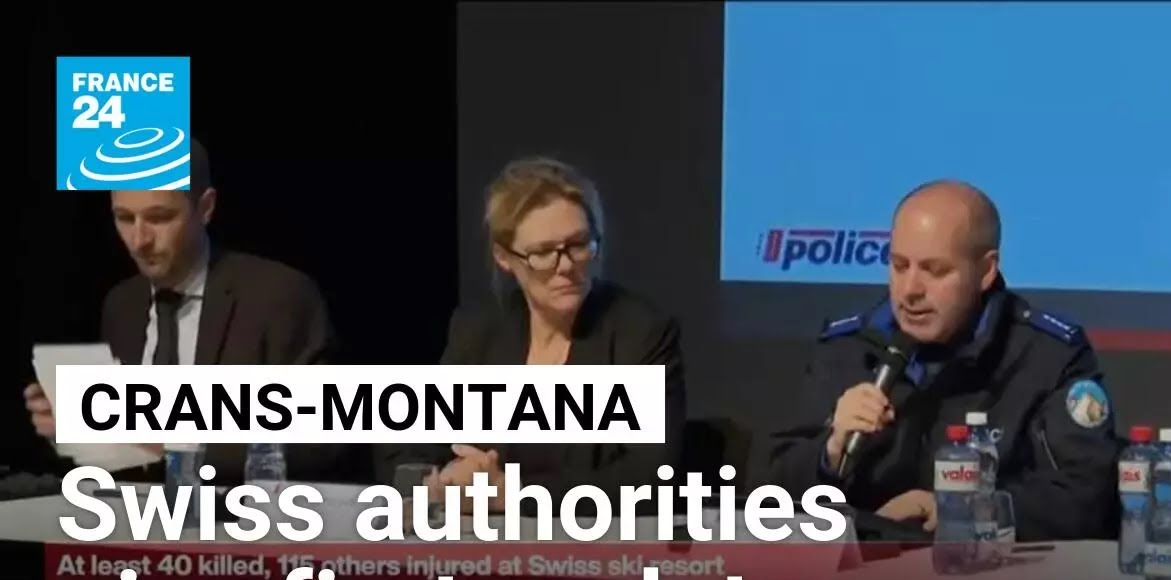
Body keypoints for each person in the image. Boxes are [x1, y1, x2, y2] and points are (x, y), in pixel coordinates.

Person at [765, 180, 1122, 541]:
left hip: (993, 570)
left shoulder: (1047, 356)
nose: (910, 290)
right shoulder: (847, 350)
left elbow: (1084, 495)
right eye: (899, 266)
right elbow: (768, 498)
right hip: (861, 569)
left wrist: (961, 510)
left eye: (934, 271)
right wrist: (829, 451)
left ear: (986, 271)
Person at [22, 137, 346, 484]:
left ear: (205, 208)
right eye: (124, 218)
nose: (139, 240)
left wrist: (172, 439)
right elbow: (128, 452)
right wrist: (75, 429)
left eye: (159, 217)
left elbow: (321, 438)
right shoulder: (122, 305)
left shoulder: (278, 295)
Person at [380, 157, 686, 512]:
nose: (566, 265)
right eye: (543, 253)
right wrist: (435, 482)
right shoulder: (479, 330)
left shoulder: (641, 333)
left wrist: (513, 494)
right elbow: (407, 445)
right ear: (504, 257)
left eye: (578, 244)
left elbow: (652, 478)